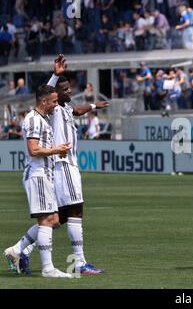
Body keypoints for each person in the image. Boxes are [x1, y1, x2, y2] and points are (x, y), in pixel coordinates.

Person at [17, 55, 109, 275]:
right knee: (75, 210)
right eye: (64, 89)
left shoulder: (66, 108)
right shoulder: (53, 109)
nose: (69, 92)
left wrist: (95, 104)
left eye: (69, 88)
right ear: (55, 95)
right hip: (62, 164)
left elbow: (78, 110)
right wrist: (54, 76)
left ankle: (21, 248)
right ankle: (79, 263)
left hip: (66, 164)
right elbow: (43, 96)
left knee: (57, 218)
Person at [3, 85, 72, 278]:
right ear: (44, 101)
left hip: (45, 174)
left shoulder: (43, 118)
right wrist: (56, 150)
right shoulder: (33, 119)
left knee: (54, 220)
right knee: (46, 221)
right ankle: (48, 268)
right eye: (54, 101)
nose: (56, 105)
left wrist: (56, 151)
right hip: (37, 174)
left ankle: (17, 249)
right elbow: (33, 150)